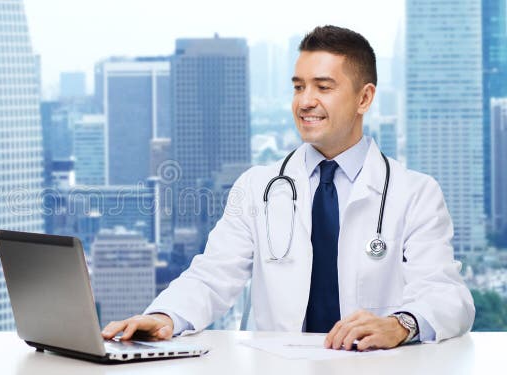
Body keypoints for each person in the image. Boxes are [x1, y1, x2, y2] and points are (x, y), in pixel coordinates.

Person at [101, 25, 475, 351]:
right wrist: (166, 315)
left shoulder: (415, 193)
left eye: (323, 87)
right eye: (299, 87)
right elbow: (212, 275)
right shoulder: (257, 186)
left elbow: (447, 295)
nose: (305, 101)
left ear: (364, 98)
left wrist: (399, 324)